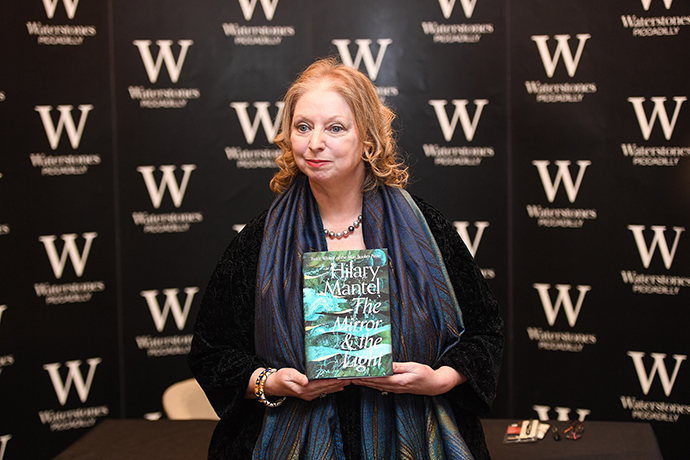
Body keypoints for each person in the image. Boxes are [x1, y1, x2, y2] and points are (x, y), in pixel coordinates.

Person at [188, 56, 503, 460]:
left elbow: (485, 332)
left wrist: (440, 379)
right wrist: (272, 382)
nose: (315, 143)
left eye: (335, 128)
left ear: (368, 140)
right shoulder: (260, 241)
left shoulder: (426, 231)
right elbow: (211, 352)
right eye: (303, 126)